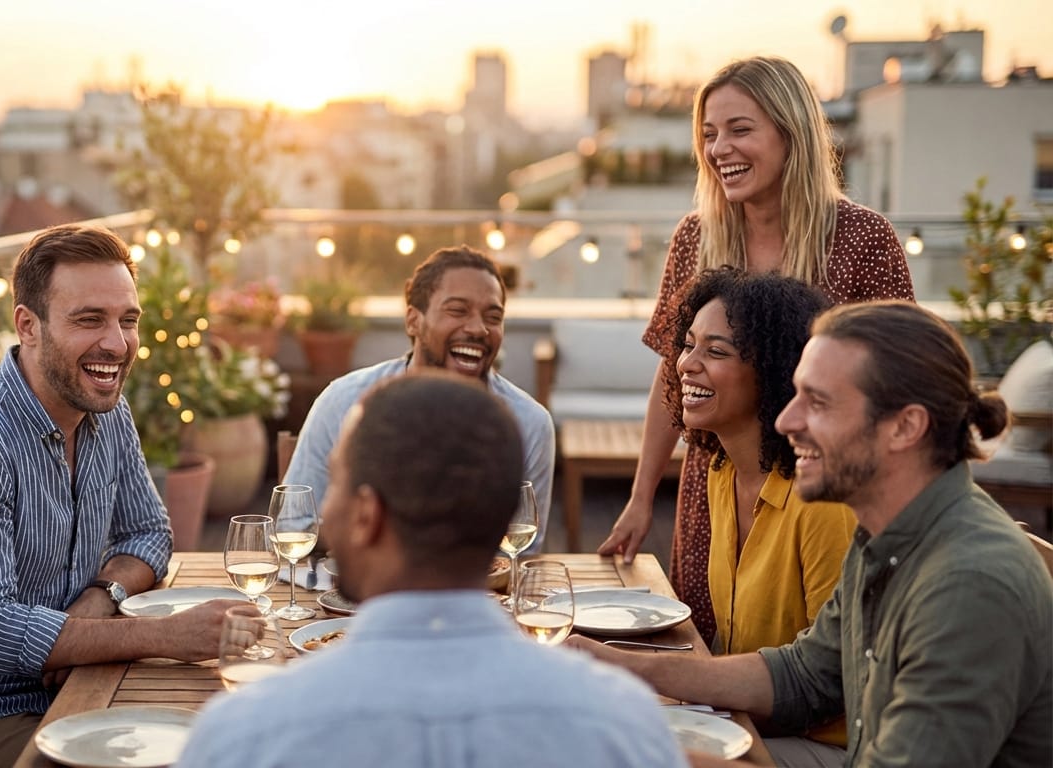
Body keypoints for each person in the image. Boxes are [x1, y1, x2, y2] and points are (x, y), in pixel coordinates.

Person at [571, 301, 1053, 768]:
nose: (785, 420)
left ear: (905, 427)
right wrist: (615, 664)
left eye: (817, 402)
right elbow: (805, 675)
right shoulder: (886, 535)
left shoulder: (969, 585)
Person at [179, 372, 688, 768]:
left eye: (334, 484)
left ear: (367, 515)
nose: (324, 511)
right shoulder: (623, 722)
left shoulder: (245, 736)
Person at [598, 55, 914, 644]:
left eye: (741, 129)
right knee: (710, 649)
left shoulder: (865, 239)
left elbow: (903, 382)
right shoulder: (696, 236)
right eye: (710, 134)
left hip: (822, 495)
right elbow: (675, 375)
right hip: (716, 488)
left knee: (814, 659)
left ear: (790, 132)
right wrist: (641, 498)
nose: (720, 149)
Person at [0, 224, 237, 767]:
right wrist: (161, 636)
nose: (117, 343)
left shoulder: (104, 409)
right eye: (90, 319)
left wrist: (102, 597)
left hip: (90, 683)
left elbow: (150, 532)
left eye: (127, 320)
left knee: (227, 738)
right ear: (29, 325)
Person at [670, 268, 853, 757]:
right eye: (688, 345)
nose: (687, 364)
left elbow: (831, 685)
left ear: (772, 370)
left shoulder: (821, 501)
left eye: (716, 351)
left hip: (822, 745)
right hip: (741, 723)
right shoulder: (722, 471)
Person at [284, 245, 555, 546]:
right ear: (413, 320)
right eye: (457, 310)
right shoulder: (344, 401)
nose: (479, 329)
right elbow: (294, 527)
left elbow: (524, 549)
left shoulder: (529, 422)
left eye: (493, 317)